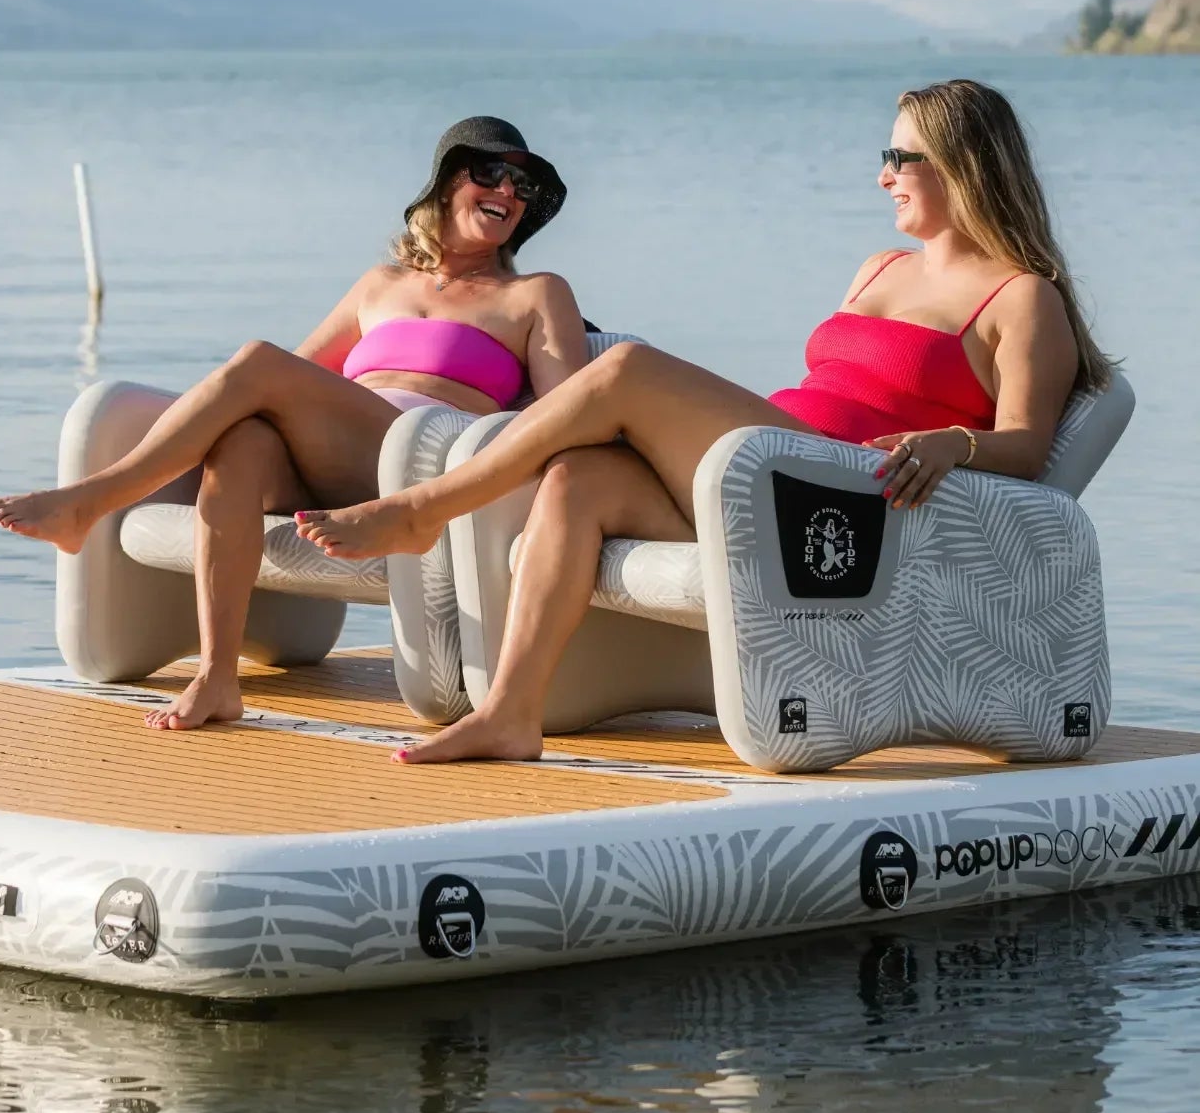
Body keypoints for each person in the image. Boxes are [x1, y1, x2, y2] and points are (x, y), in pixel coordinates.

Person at [296, 80, 1115, 764]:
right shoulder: (880, 269)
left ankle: (423, 509)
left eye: (903, 158)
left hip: (843, 495)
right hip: (764, 474)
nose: (884, 176)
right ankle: (511, 713)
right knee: (579, 479)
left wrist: (954, 443)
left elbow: (1029, 450)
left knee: (624, 369)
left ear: (964, 164)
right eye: (886, 157)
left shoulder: (1021, 298)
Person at [0, 116, 588, 730]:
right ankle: (217, 676)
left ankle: (90, 501)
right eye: (491, 172)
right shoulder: (381, 285)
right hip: (334, 461)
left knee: (257, 363)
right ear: (448, 182)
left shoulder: (536, 293)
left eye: (523, 186)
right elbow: (294, 377)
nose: (508, 191)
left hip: (422, 464)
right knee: (243, 440)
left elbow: (566, 412)